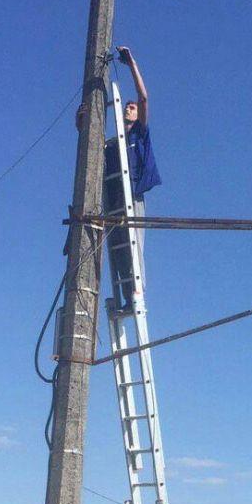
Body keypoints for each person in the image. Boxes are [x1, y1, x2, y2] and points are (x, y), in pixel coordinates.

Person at [104, 47, 161, 311]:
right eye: (127, 106)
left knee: (134, 242)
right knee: (117, 245)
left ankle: (137, 292)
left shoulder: (140, 133)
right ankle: (125, 298)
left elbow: (144, 97)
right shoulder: (114, 144)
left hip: (134, 194)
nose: (129, 107)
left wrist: (131, 64)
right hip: (115, 199)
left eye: (132, 107)